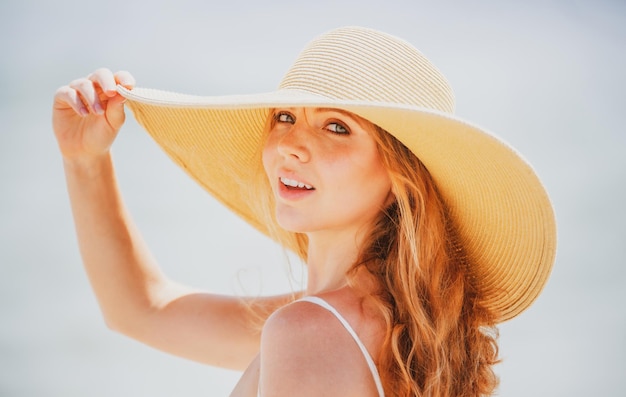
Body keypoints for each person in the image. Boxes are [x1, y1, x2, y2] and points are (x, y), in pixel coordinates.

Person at [52, 26, 556, 397]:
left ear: (400, 179)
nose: (290, 144)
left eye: (336, 127)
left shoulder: (311, 330)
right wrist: (84, 160)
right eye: (285, 117)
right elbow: (142, 310)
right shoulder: (388, 325)